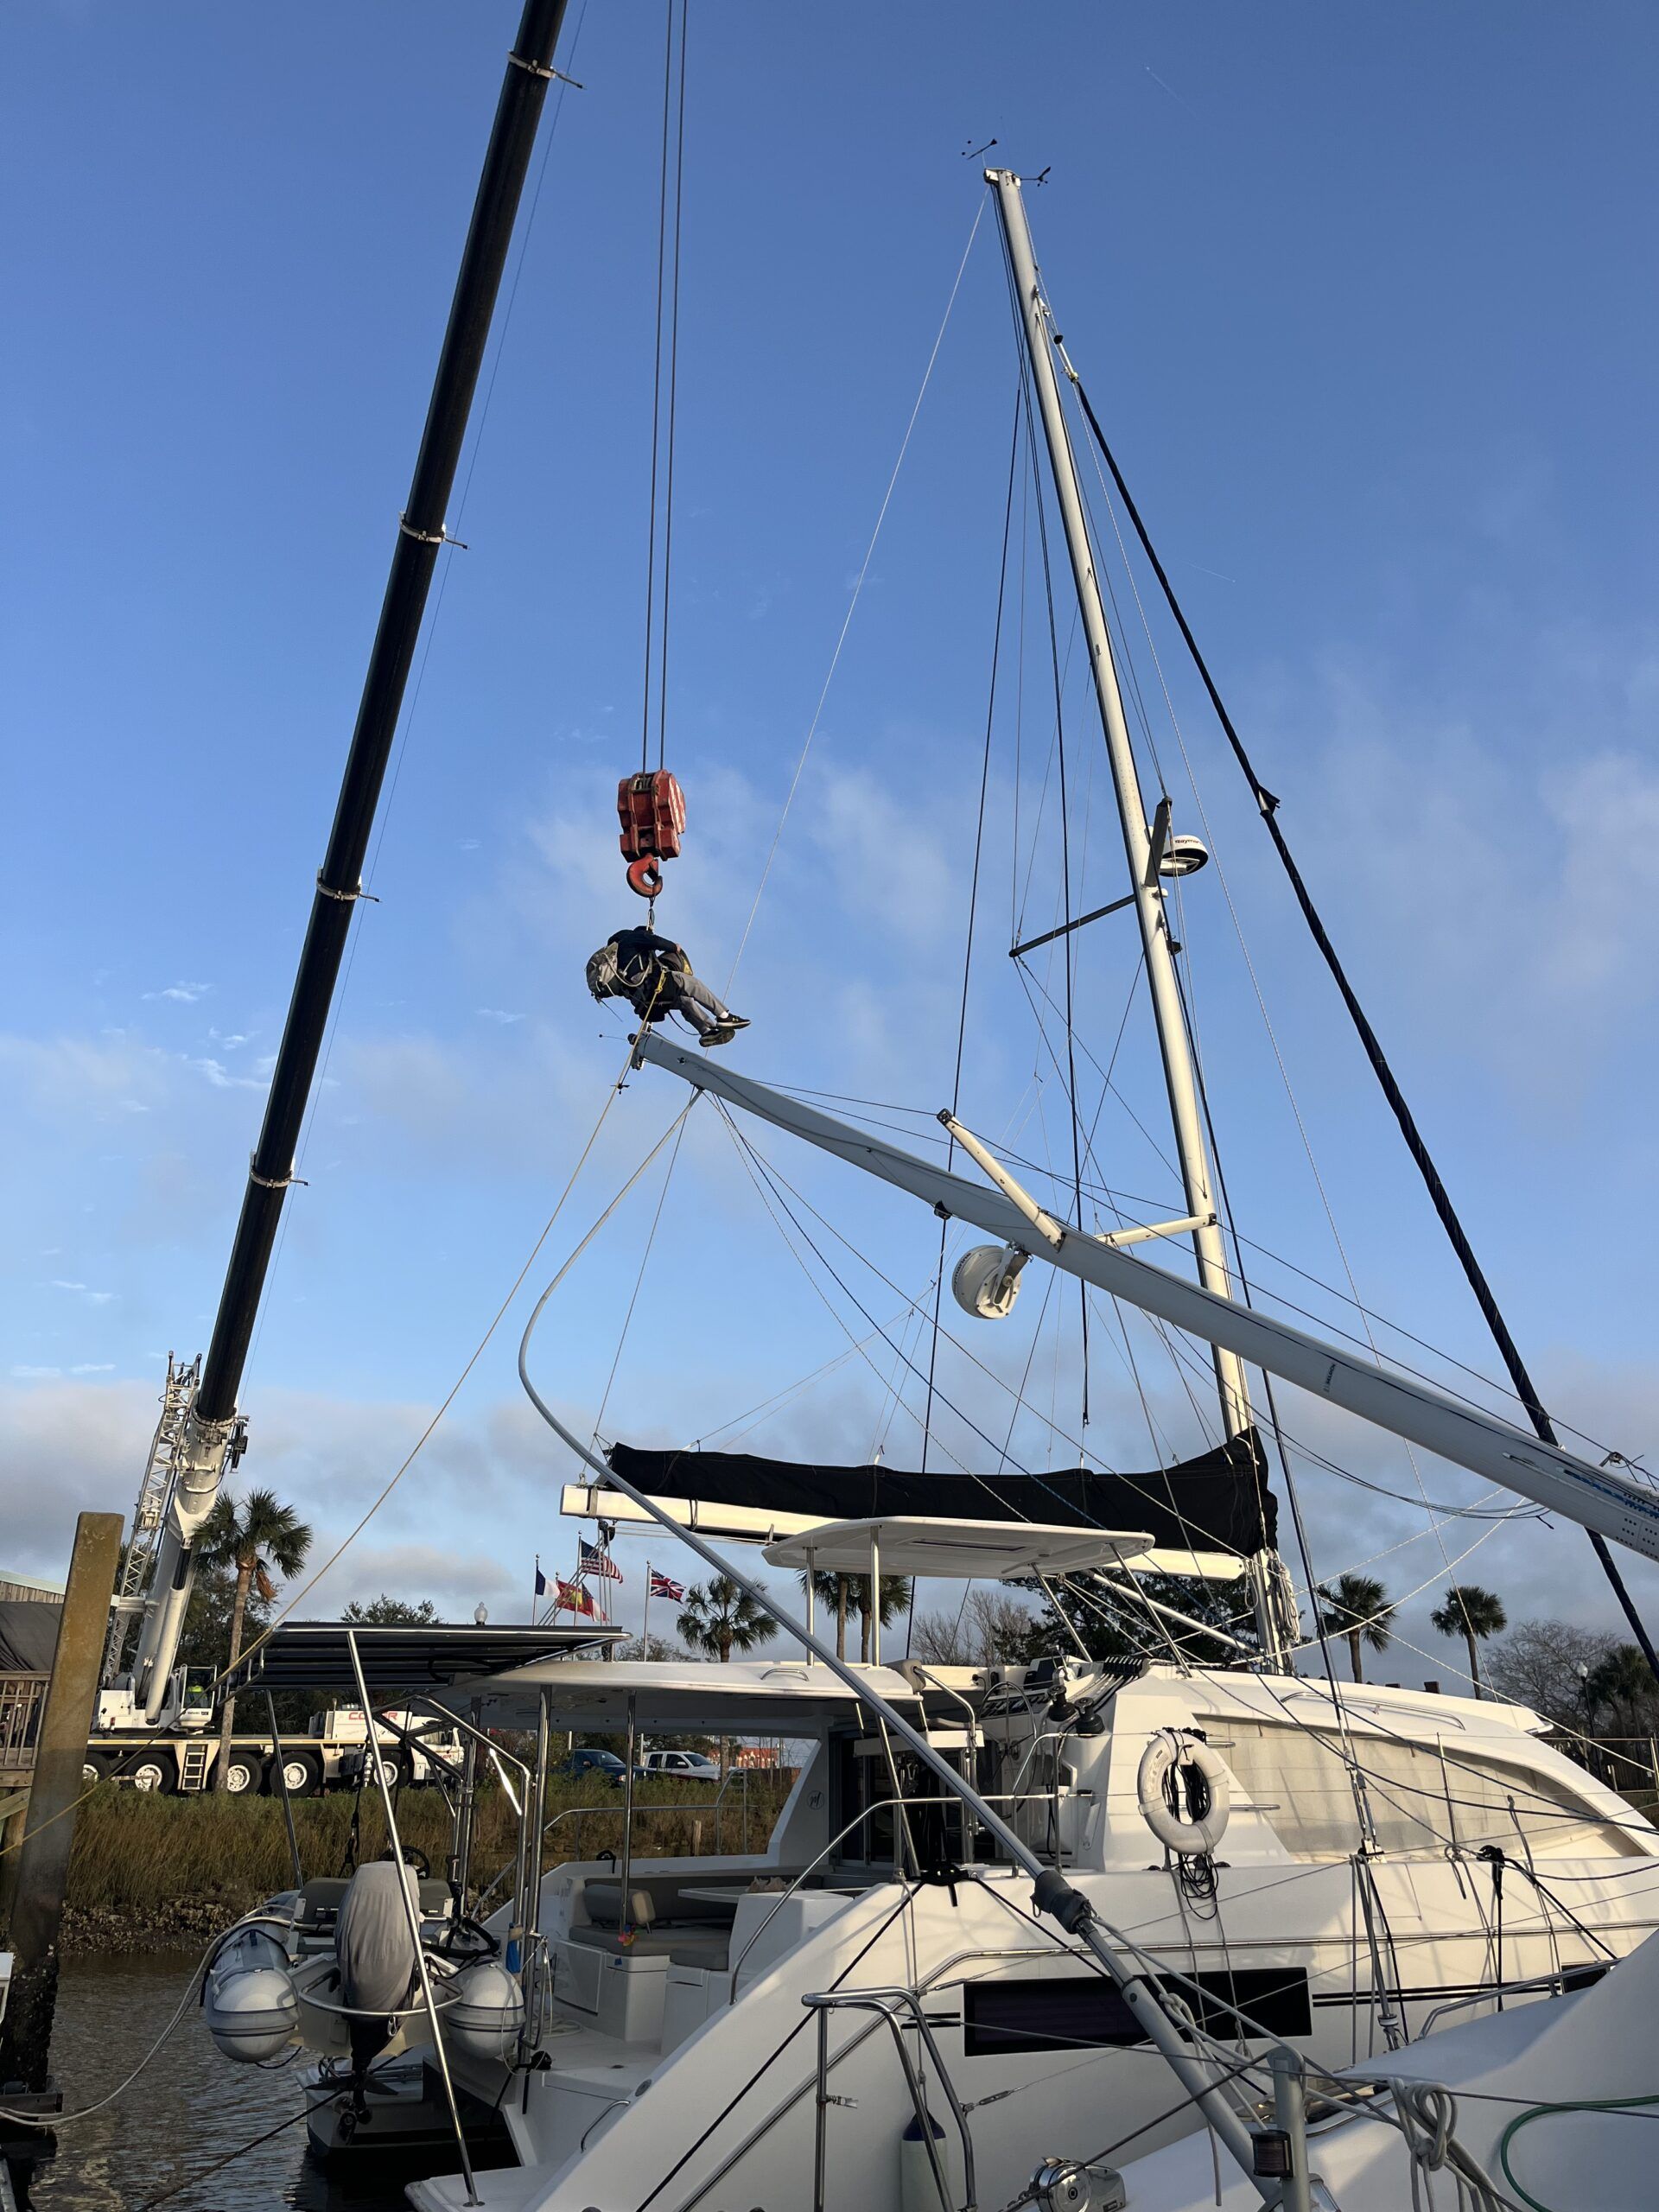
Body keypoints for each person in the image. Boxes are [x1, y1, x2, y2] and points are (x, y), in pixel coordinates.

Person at [586, 925, 749, 1048]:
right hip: (654, 986)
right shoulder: (633, 938)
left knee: (684, 1001)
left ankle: (707, 1032)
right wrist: (674, 947)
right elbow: (657, 942)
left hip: (644, 1002)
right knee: (691, 984)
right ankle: (724, 1016)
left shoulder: (615, 963)